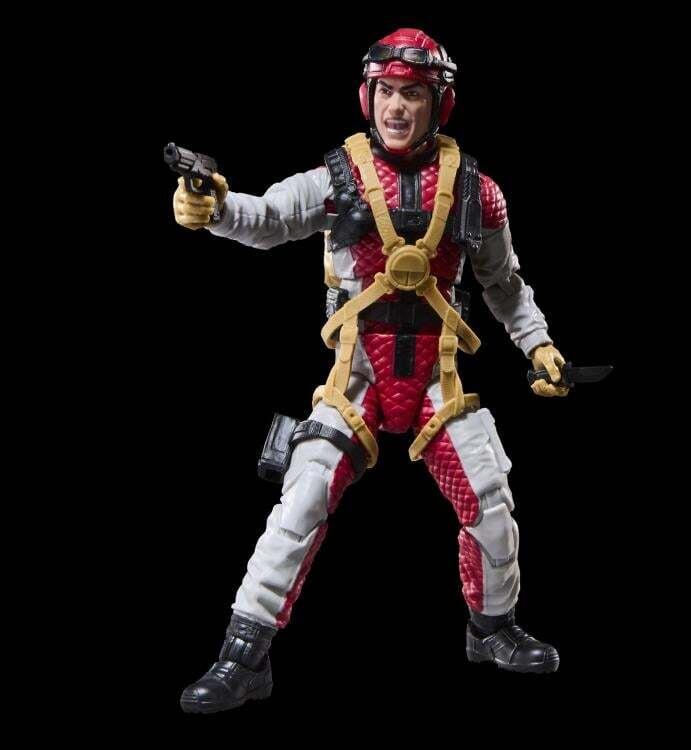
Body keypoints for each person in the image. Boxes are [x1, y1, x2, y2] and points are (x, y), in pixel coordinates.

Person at [174, 28, 569, 714]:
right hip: (356, 377)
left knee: (490, 499)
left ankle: (493, 630)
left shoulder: (477, 192)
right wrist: (215, 209)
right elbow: (267, 218)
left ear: (438, 103)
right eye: (386, 91)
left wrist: (538, 345)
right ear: (367, 96)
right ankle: (243, 656)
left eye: (412, 93)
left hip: (437, 379)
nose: (396, 106)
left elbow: (504, 283)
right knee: (301, 501)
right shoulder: (339, 178)